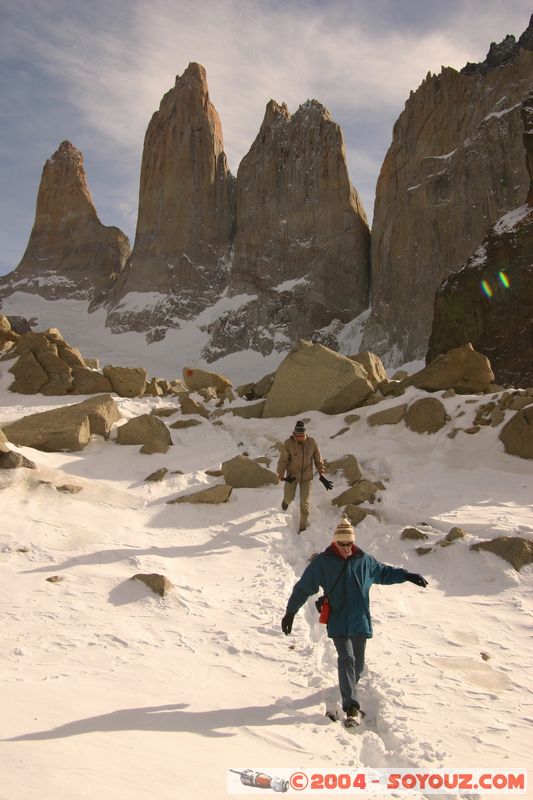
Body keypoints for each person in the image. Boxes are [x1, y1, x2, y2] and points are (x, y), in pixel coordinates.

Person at [280, 516, 428, 728]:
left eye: (350, 544)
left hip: (359, 620)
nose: (347, 548)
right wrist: (290, 612)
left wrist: (407, 575)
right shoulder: (323, 562)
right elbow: (304, 587)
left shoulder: (363, 560)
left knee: (357, 666)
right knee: (346, 659)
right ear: (335, 543)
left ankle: (347, 689)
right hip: (338, 620)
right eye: (342, 544)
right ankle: (351, 708)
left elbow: (384, 573)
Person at [276, 420, 332, 533]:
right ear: (294, 434)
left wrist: (322, 474)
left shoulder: (312, 443)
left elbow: (318, 459)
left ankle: (302, 528)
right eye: (298, 435)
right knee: (289, 497)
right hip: (292, 476)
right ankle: (285, 502)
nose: (300, 437)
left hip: (307, 477)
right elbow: (283, 460)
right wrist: (281, 474)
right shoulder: (288, 443)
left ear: (305, 433)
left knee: (304, 503)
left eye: (302, 435)